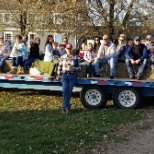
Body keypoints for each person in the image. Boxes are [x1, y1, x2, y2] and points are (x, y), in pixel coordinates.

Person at [56, 43, 80, 115]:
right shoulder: (62, 57)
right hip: (64, 75)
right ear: (65, 49)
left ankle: (64, 107)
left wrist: (74, 68)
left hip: (72, 75)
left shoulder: (76, 57)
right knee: (64, 91)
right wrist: (58, 75)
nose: (69, 50)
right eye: (67, 48)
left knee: (69, 92)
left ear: (71, 49)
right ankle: (67, 107)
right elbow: (59, 67)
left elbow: (79, 67)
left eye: (70, 48)